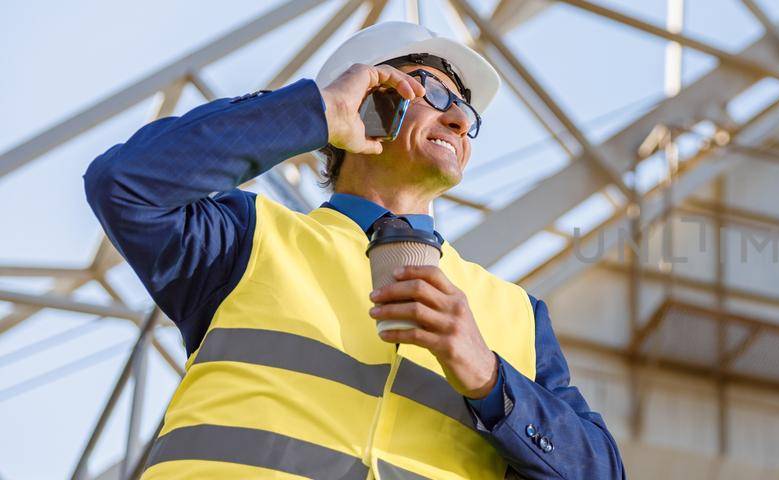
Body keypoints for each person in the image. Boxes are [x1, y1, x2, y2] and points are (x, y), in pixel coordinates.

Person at [83, 22, 624, 479]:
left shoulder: (516, 315)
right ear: (369, 101)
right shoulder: (246, 241)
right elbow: (125, 183)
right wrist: (314, 113)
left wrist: (486, 375)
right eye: (432, 93)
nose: (459, 119)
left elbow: (600, 469)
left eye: (465, 113)